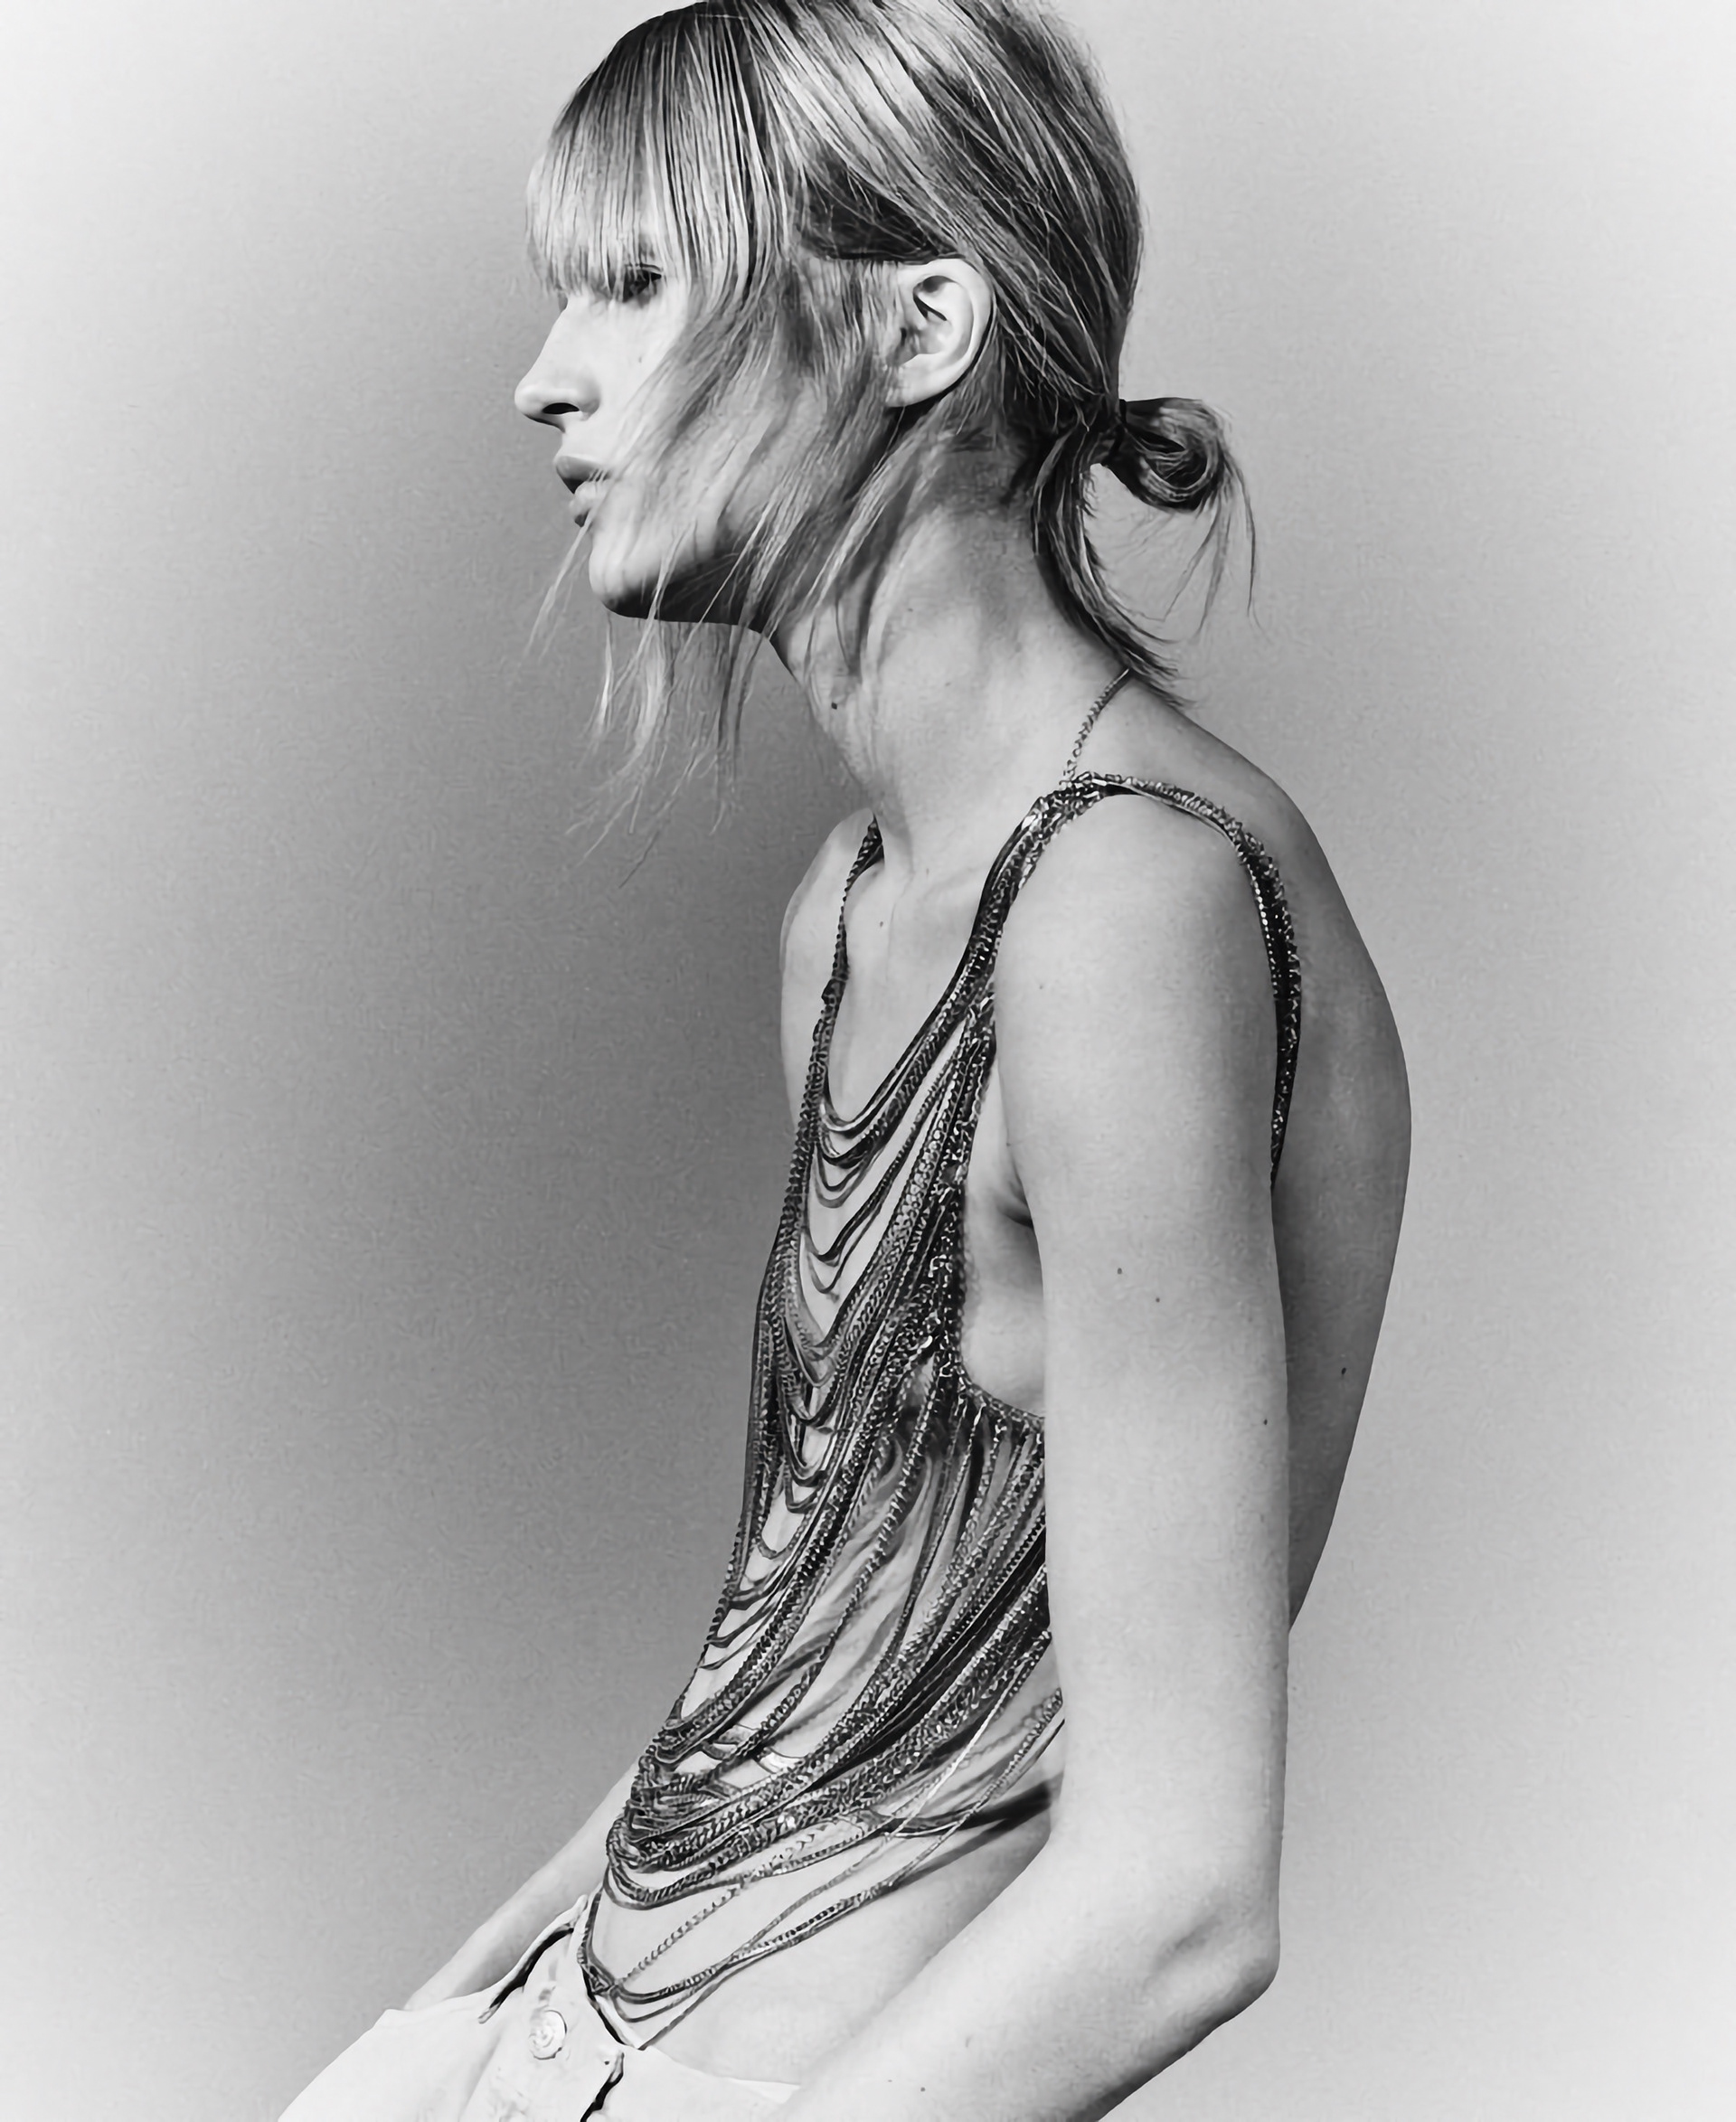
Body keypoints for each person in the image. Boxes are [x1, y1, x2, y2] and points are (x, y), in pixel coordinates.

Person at [282, 1, 1409, 2115]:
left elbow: (1180, 1892)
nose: (548, 374)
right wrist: (438, 2035)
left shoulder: (1128, 902)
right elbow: (804, 1643)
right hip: (567, 2037)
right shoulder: (854, 907)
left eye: (637, 281)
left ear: (918, 328)